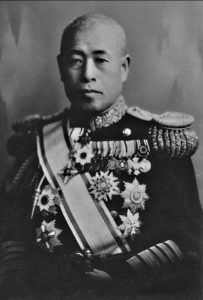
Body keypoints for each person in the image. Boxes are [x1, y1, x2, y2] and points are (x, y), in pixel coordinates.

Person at [0, 13, 202, 300]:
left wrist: (121, 278)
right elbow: (12, 239)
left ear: (124, 68)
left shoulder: (159, 142)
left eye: (101, 60)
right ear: (60, 67)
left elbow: (189, 244)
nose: (88, 74)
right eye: (76, 60)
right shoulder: (34, 142)